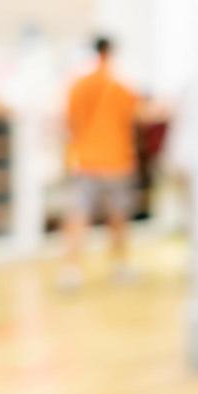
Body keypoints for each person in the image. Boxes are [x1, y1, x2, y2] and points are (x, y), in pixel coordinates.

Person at [60, 35, 142, 290]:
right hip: (117, 160)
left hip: (85, 160)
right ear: (112, 52)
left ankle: (72, 270)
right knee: (118, 216)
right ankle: (120, 267)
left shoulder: (78, 84)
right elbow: (134, 118)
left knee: (79, 215)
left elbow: (69, 121)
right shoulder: (121, 85)